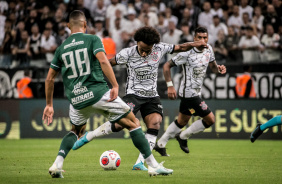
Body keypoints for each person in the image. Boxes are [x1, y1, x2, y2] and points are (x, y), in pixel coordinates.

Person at [43, 10, 173, 178]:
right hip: (98, 92)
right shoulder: (93, 39)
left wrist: (49, 104)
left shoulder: (61, 49)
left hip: (76, 99)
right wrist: (115, 84)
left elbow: (49, 79)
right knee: (133, 123)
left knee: (75, 131)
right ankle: (153, 166)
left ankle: (57, 164)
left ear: (68, 26)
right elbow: (104, 61)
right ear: (85, 25)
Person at [72, 26, 207, 170]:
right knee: (119, 124)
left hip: (152, 96)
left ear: (153, 46)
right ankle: (89, 136)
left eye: (147, 51)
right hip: (133, 95)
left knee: (155, 123)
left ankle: (139, 163)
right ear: (137, 42)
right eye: (141, 49)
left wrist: (195, 44)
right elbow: (107, 64)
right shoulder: (127, 53)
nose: (143, 53)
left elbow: (180, 47)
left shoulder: (160, 48)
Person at [154, 26, 226, 156]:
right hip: (189, 93)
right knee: (210, 120)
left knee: (182, 121)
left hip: (196, 92)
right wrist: (170, 86)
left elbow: (213, 68)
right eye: (200, 38)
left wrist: (219, 69)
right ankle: (183, 136)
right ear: (194, 38)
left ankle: (161, 143)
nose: (203, 40)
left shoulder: (209, 49)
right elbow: (166, 66)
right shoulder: (187, 53)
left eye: (205, 37)